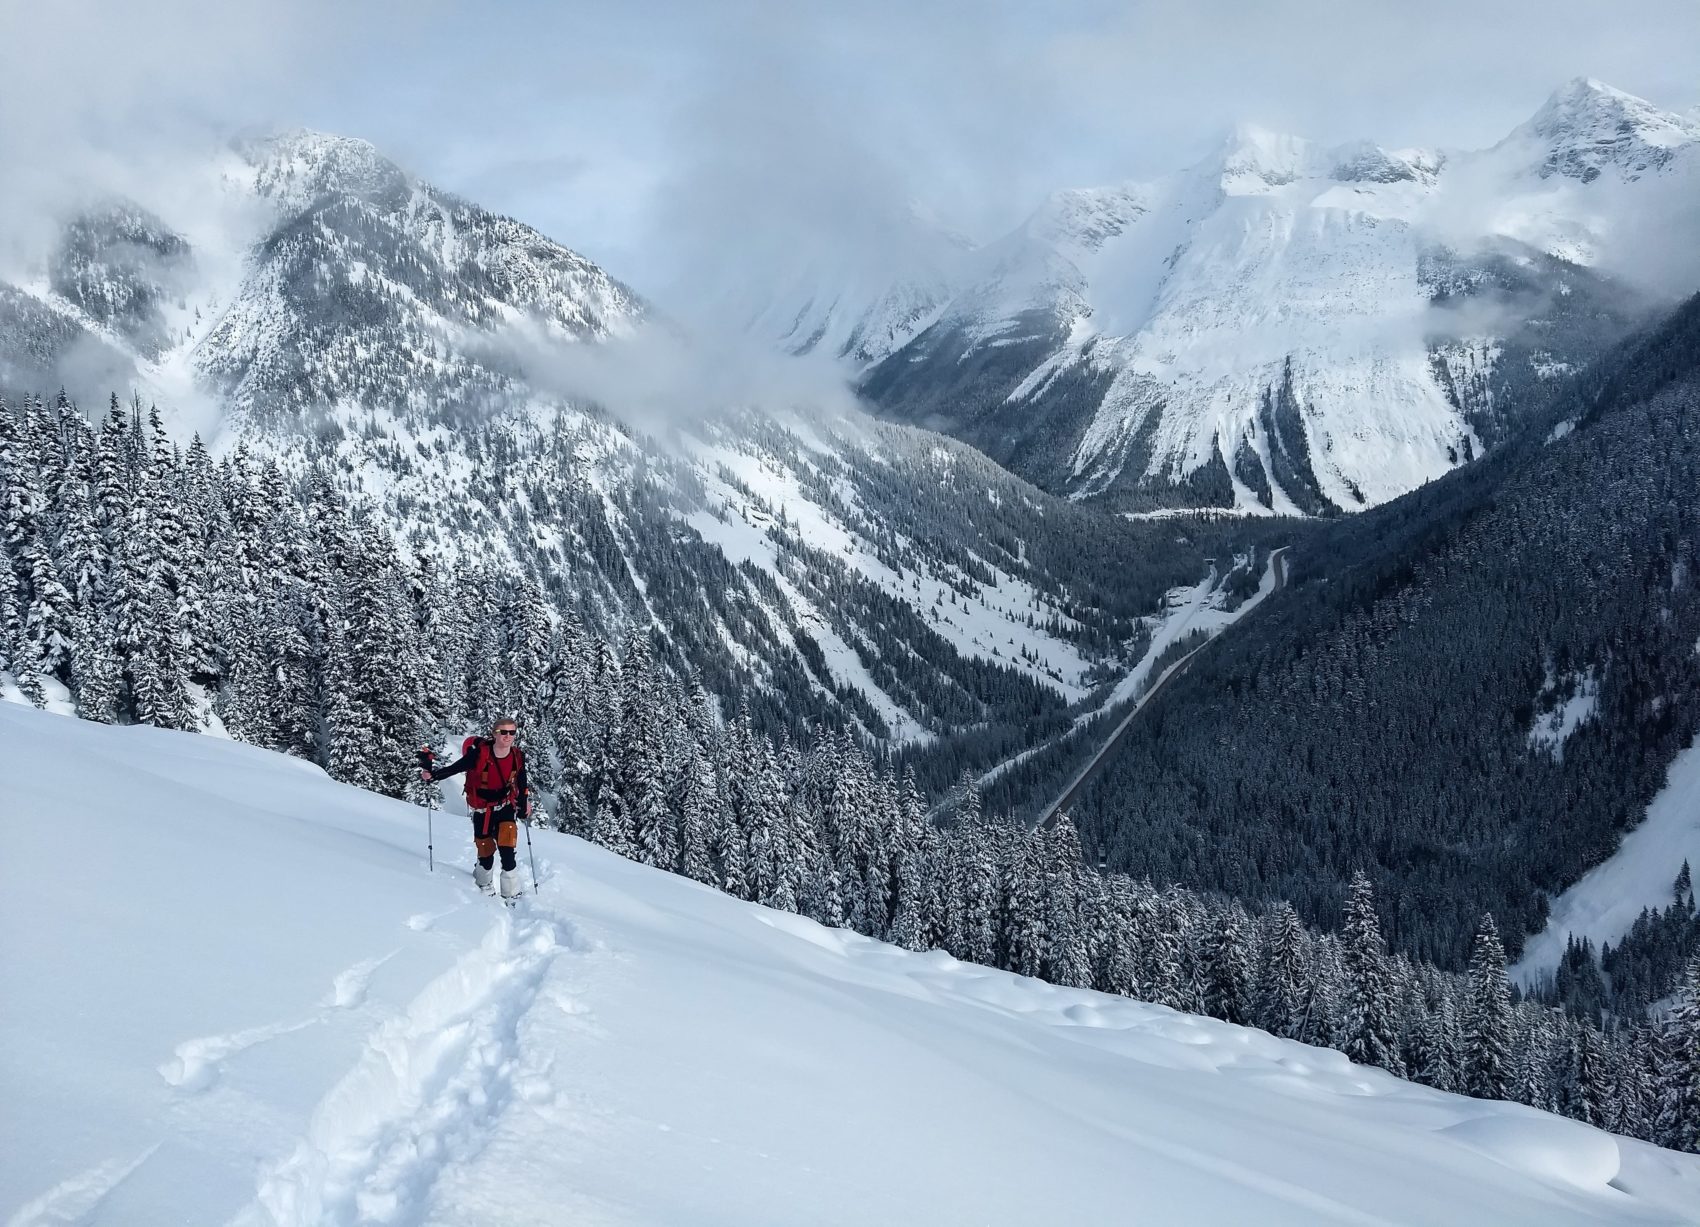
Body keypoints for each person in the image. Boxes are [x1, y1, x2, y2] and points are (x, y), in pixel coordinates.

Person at [422, 717, 532, 900]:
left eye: (512, 732)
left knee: (507, 852)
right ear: (494, 733)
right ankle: (483, 882)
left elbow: (522, 782)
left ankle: (511, 894)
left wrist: (524, 802)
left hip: (505, 807)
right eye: (503, 732)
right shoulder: (480, 754)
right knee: (486, 852)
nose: (507, 736)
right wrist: (433, 776)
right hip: (482, 810)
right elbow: (455, 768)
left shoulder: (517, 756)